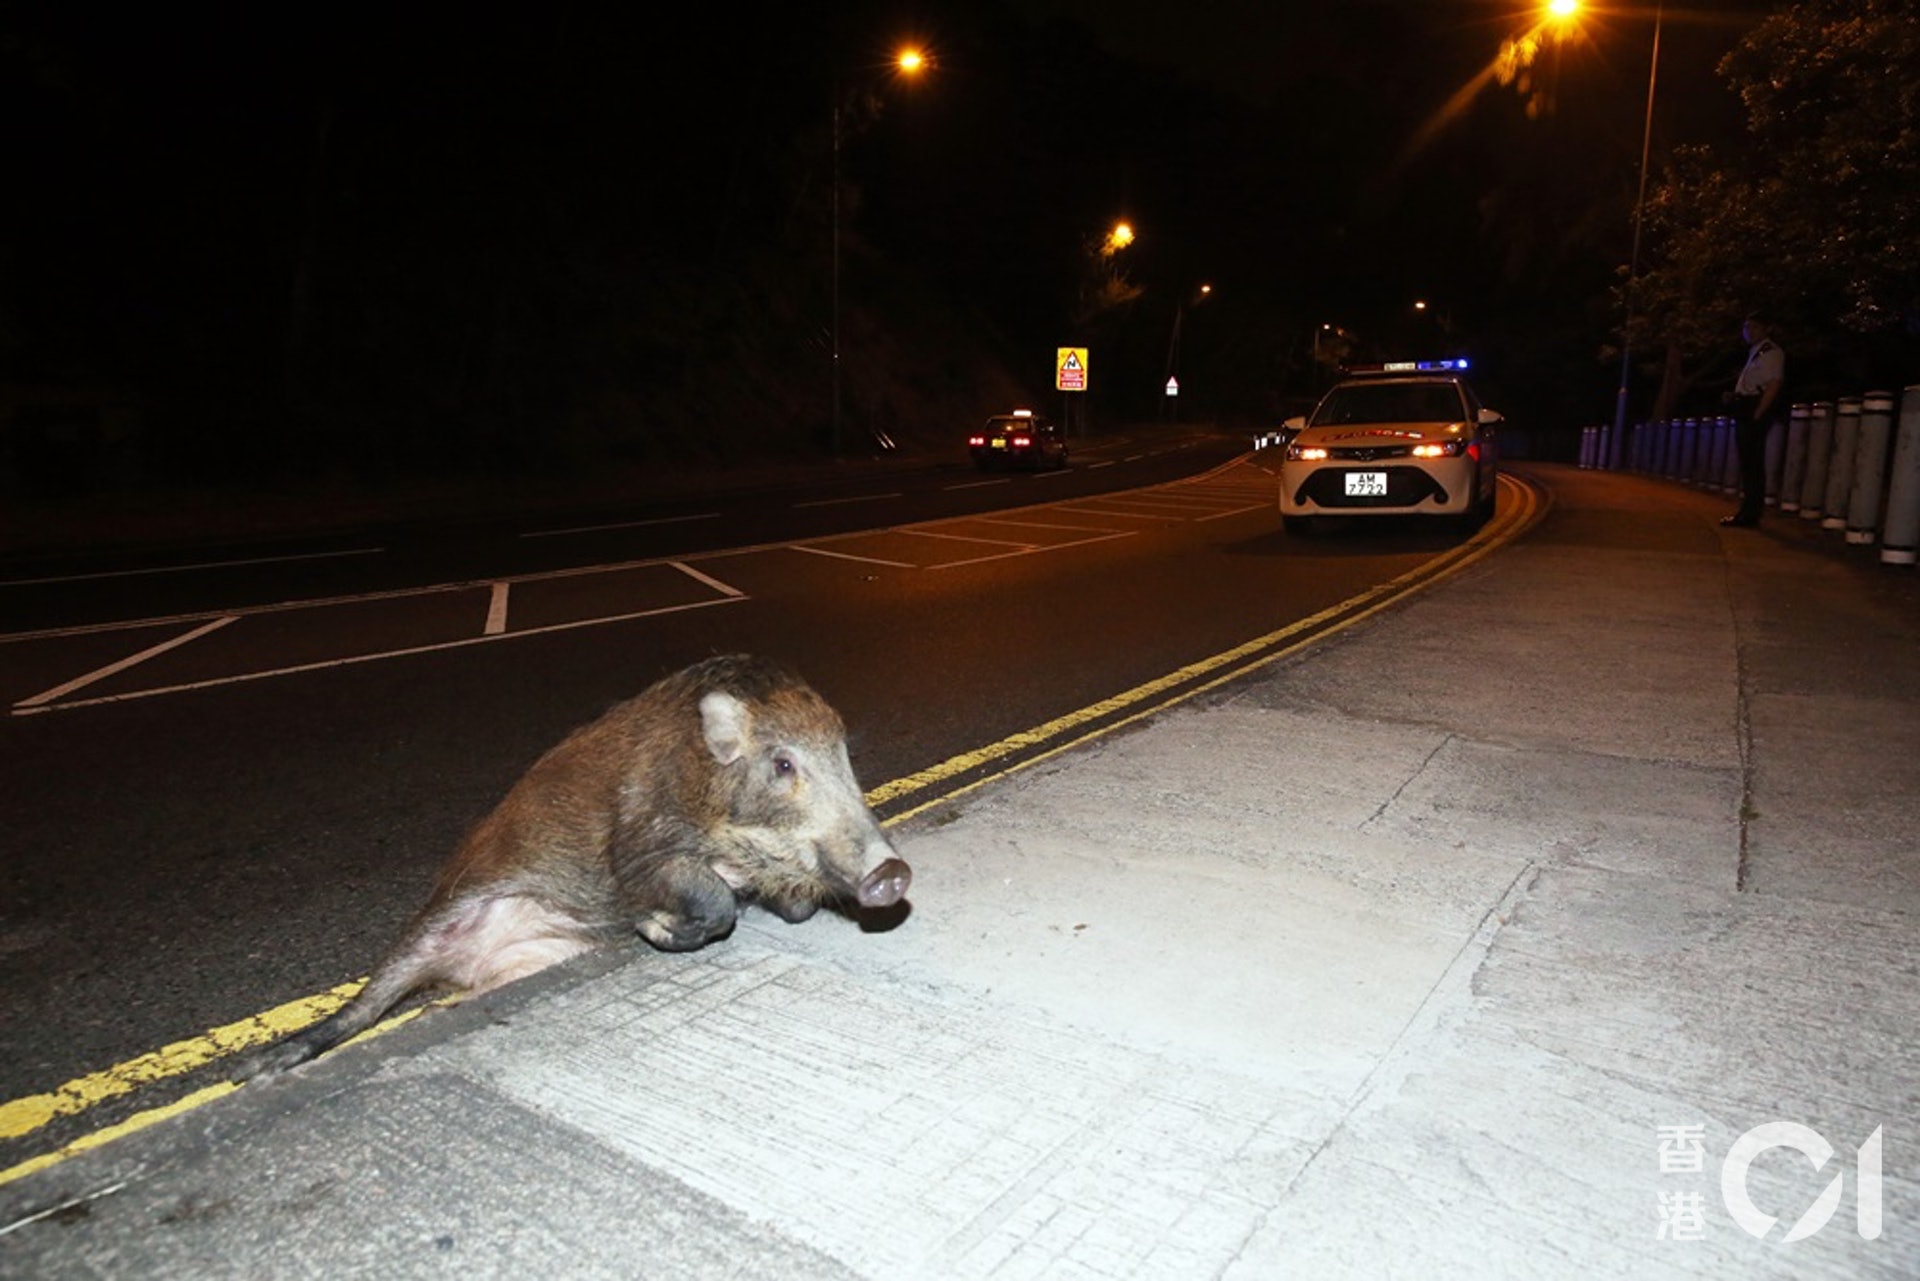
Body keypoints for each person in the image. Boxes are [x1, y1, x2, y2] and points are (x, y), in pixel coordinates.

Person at [1723, 314, 1785, 527]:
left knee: (1752, 463)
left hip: (1754, 408)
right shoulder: (1755, 352)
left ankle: (1750, 514)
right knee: (1748, 462)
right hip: (1746, 407)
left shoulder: (1771, 352)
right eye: (1746, 327)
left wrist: (1758, 413)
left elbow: (1774, 384)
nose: (1749, 331)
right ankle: (1747, 511)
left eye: (1754, 327)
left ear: (1766, 328)